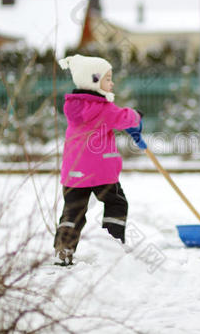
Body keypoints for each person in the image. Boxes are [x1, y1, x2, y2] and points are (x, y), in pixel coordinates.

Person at [53, 54, 145, 266]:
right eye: (107, 78)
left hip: (74, 173)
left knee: (73, 210)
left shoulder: (73, 107)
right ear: (94, 80)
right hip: (101, 174)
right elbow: (124, 117)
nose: (111, 83)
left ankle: (63, 248)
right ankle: (111, 244)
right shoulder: (102, 108)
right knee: (116, 203)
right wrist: (137, 116)